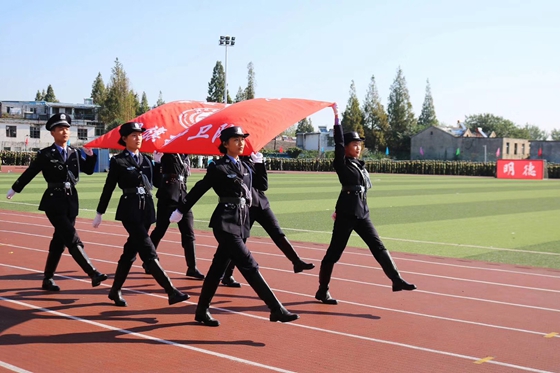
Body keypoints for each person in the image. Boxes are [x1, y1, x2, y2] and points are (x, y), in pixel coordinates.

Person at [170, 126, 299, 326]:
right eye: (236, 140)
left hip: (241, 221)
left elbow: (262, 186)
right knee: (249, 264)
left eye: (242, 140)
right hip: (225, 222)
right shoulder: (218, 167)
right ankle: (276, 309)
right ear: (225, 144)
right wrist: (181, 210)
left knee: (217, 269)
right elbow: (199, 188)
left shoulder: (246, 166)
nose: (241, 143)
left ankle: (201, 311)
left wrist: (260, 164)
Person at [315, 105, 416, 305]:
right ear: (345, 147)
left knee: (378, 246)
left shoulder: (359, 165)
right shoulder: (341, 163)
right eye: (354, 144)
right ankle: (322, 290)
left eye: (359, 144)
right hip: (347, 214)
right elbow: (338, 142)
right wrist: (336, 118)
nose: (358, 147)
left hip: (362, 213)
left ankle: (396, 279)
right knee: (334, 253)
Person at [6, 113, 107, 291]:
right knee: (71, 237)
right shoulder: (46, 154)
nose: (65, 132)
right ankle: (92, 273)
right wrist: (15, 188)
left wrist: (91, 157)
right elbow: (30, 172)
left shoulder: (74, 153)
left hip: (71, 201)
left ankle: (47, 278)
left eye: (67, 128)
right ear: (52, 133)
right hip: (54, 201)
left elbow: (89, 171)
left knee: (59, 241)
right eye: (60, 128)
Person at [92, 122, 189, 307]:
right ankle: (171, 291)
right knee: (148, 249)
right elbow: (109, 187)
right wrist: (100, 212)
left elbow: (159, 184)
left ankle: (115, 290)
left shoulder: (146, 160)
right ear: (124, 139)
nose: (139, 138)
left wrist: (159, 165)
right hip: (130, 209)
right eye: (134, 135)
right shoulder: (118, 161)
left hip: (146, 210)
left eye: (140, 135)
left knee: (130, 252)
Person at [221, 152, 315, 288]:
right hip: (246, 206)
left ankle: (296, 261)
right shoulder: (237, 162)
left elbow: (263, 185)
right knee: (240, 242)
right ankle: (227, 274)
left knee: (277, 232)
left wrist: (259, 164)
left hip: (261, 204)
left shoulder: (254, 160)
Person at [147, 152, 204, 279]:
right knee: (160, 230)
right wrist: (157, 163)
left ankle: (192, 267)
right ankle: (149, 261)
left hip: (183, 198)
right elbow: (156, 182)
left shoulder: (186, 157)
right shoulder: (168, 155)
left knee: (189, 233)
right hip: (167, 198)